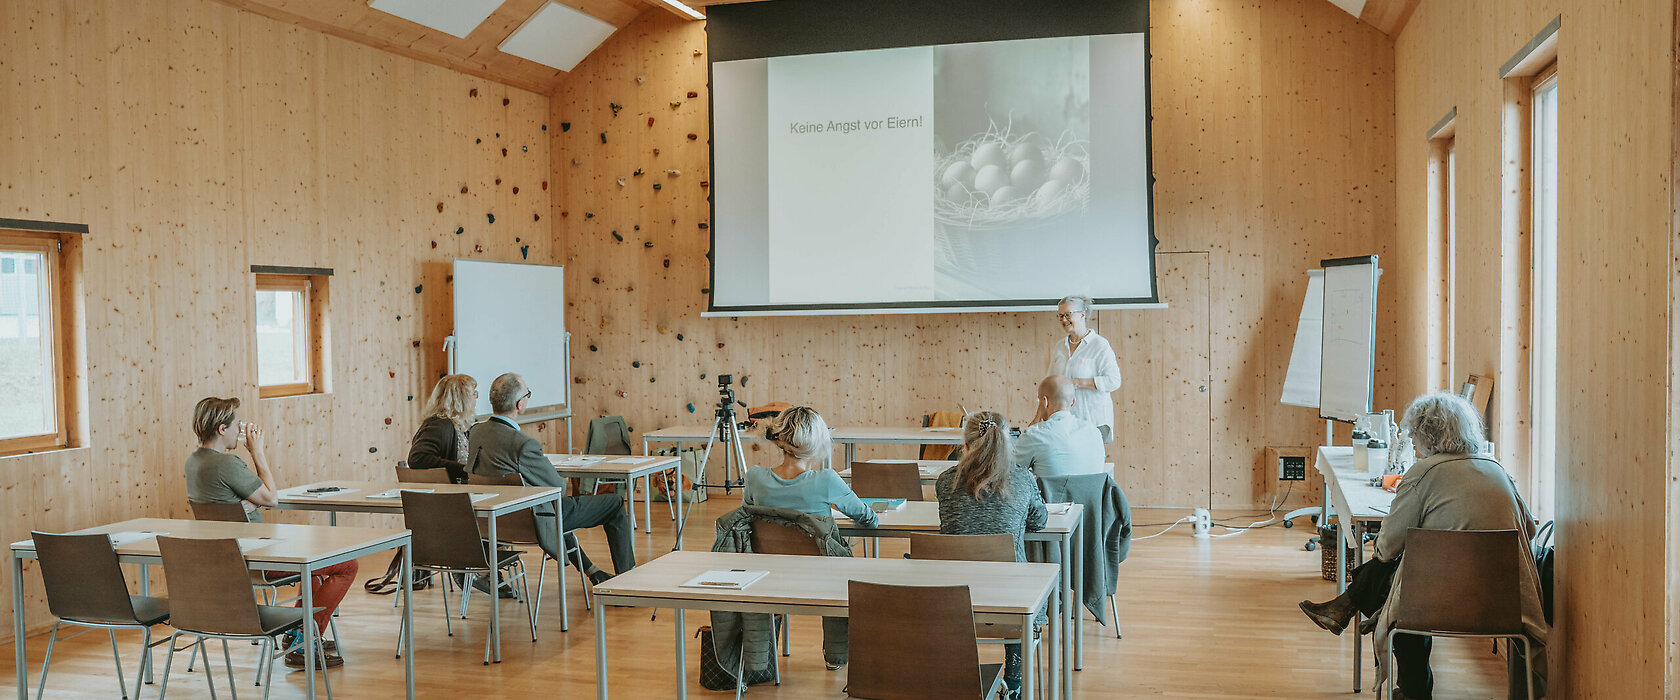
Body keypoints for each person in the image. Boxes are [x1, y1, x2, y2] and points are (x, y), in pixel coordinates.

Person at [1297, 392, 1545, 700]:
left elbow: (1385, 549)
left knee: (1400, 584)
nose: (1412, 443)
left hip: (1437, 606)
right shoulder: (1497, 470)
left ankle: (1413, 689)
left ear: (1429, 434)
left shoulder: (1423, 474)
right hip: (1506, 604)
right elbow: (1529, 529)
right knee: (1405, 576)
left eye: (1414, 434)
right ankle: (1343, 607)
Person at [184, 396, 358, 669]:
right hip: (261, 558)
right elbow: (271, 498)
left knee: (312, 567)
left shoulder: (193, 462)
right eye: (236, 425)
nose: (240, 431)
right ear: (222, 429)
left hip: (230, 558)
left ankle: (297, 634)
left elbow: (236, 502)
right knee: (347, 565)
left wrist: (248, 503)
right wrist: (258, 452)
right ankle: (305, 641)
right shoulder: (227, 464)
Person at [742, 405, 876, 670]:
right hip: (821, 576)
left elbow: (746, 517)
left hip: (767, 573)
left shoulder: (754, 478)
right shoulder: (826, 480)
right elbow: (868, 518)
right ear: (817, 443)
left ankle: (758, 659)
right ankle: (835, 656)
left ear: (779, 439)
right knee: (847, 570)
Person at [468, 373, 635, 584]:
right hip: (533, 521)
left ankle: (593, 572)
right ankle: (628, 579)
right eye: (528, 395)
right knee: (615, 503)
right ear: (519, 404)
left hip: (494, 521)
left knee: (552, 506)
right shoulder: (523, 444)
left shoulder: (475, 432)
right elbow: (558, 487)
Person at [934, 410, 1048, 699]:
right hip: (1012, 600)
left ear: (965, 445)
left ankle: (958, 674)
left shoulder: (946, 482)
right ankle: (1014, 682)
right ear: (1008, 444)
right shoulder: (1022, 479)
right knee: (1022, 578)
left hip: (953, 598)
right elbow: (1039, 521)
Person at [1046, 295, 1122, 443]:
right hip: (1064, 425)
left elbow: (1113, 381)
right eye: (1060, 316)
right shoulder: (1059, 347)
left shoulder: (1100, 345)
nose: (1063, 320)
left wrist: (1075, 383)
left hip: (1093, 423)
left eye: (1068, 314)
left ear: (1082, 314)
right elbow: (1049, 383)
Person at [1015, 375, 1106, 476]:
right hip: (1090, 487)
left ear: (1045, 402)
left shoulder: (1034, 435)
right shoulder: (1095, 433)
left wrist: (1033, 424)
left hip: (1049, 488)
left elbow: (1009, 472)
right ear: (1073, 402)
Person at [407, 374, 476, 484]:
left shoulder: (460, 425)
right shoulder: (440, 425)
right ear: (461, 399)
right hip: (448, 492)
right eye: (474, 394)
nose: (476, 398)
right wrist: (464, 470)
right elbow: (417, 458)